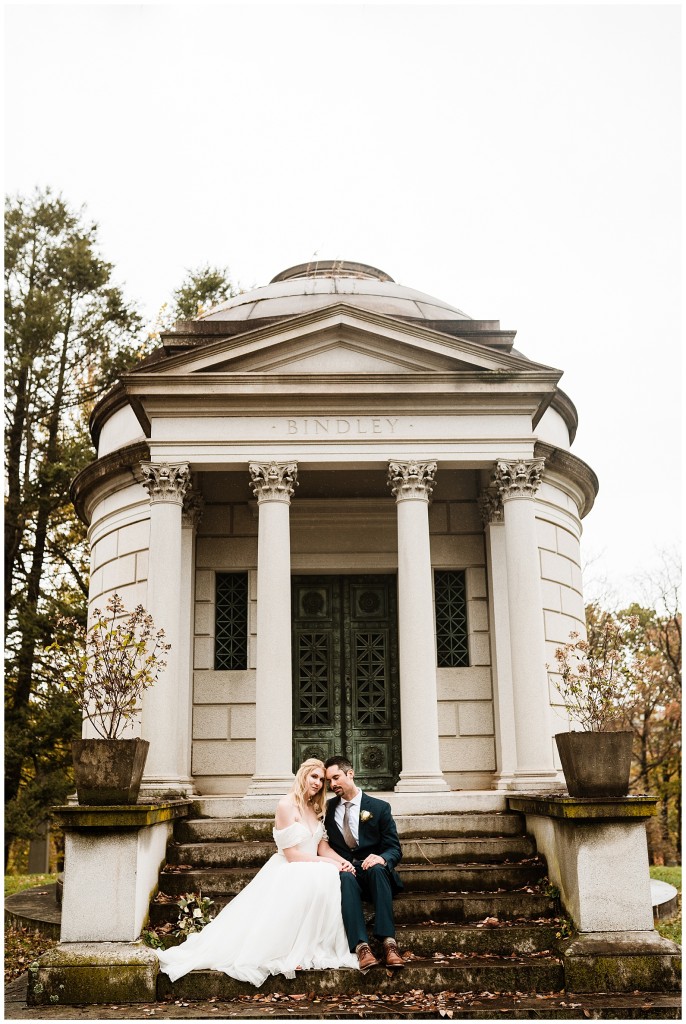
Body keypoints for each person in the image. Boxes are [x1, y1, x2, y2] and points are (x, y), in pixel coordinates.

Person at [156, 759, 359, 986]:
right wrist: (326, 864)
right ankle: (291, 949)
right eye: (314, 777)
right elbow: (292, 855)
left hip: (312, 863)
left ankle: (312, 946)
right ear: (302, 775)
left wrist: (343, 863)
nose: (319, 783)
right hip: (291, 867)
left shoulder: (316, 808)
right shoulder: (286, 806)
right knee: (322, 875)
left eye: (322, 780)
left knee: (329, 875)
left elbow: (323, 847)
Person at [321, 755, 405, 971]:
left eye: (336, 777)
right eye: (329, 781)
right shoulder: (327, 810)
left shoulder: (379, 807)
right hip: (348, 874)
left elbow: (394, 848)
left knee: (377, 868)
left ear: (351, 774)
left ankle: (389, 943)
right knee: (345, 876)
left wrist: (383, 857)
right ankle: (361, 947)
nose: (333, 785)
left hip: (375, 875)